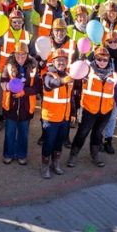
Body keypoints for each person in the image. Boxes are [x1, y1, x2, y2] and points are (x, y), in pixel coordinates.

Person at [67, 46, 117, 168]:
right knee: (82, 133)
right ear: (94, 58)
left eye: (105, 60)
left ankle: (95, 154)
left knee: (97, 134)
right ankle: (73, 155)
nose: (102, 62)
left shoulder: (114, 75)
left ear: (109, 60)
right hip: (89, 110)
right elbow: (74, 71)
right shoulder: (87, 71)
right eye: (99, 59)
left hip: (105, 111)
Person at [0, 45, 38, 165]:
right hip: (11, 106)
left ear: (27, 55)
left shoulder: (33, 68)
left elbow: (37, 87)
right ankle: (8, 154)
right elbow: (2, 81)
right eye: (18, 54)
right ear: (14, 54)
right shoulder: (8, 66)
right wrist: (8, 86)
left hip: (26, 107)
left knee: (23, 133)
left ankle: (22, 155)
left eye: (23, 54)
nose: (20, 57)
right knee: (9, 133)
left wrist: (24, 91)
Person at [40, 49, 74, 179]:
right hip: (51, 117)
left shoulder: (68, 75)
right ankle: (45, 166)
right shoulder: (48, 75)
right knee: (49, 143)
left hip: (64, 117)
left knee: (59, 143)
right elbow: (50, 84)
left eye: (64, 60)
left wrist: (73, 113)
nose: (61, 62)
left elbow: (70, 97)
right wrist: (63, 81)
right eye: (58, 60)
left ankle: (55, 163)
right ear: (53, 62)